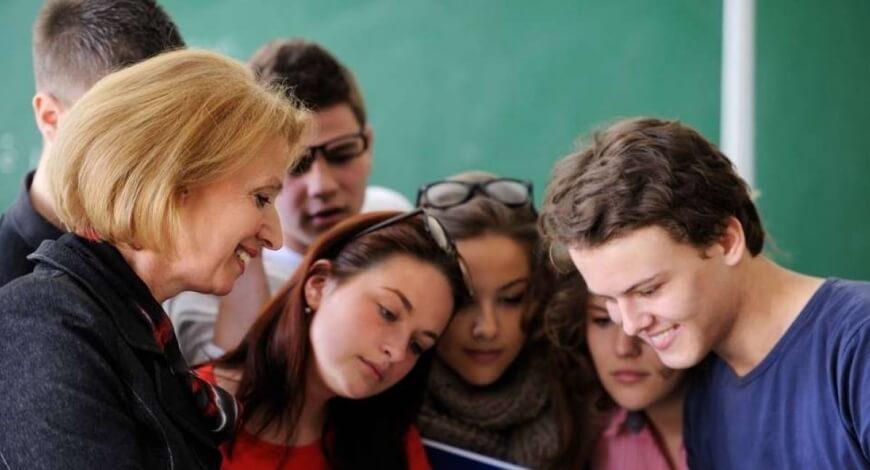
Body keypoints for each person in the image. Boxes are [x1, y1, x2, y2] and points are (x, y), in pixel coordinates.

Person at [0, 49, 308, 468]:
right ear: (174, 180)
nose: (275, 237)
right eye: (261, 198)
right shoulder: (44, 322)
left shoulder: (133, 326)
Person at [540, 117, 870, 468]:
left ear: (726, 241)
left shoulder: (857, 346)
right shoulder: (704, 393)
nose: (631, 325)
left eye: (649, 290)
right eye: (609, 300)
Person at [167, 38, 412, 364]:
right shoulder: (209, 279)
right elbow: (229, 387)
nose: (322, 186)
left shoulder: (394, 218)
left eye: (342, 152)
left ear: (367, 143)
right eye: (296, 164)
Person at [200, 210, 472, 469]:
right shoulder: (194, 410)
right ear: (319, 285)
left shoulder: (389, 442)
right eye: (388, 313)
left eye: (417, 345)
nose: (398, 352)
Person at [0, 0, 185, 288]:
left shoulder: (160, 253)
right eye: (119, 127)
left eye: (163, 132)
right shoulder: (10, 285)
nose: (150, 157)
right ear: (51, 118)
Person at [416, 172, 593, 469]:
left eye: (511, 298)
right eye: (463, 301)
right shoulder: (380, 399)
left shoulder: (587, 389)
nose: (487, 328)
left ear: (538, 293)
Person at [546, 270, 687, 470]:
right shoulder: (588, 439)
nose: (624, 348)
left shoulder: (731, 427)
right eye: (603, 320)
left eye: (648, 320)